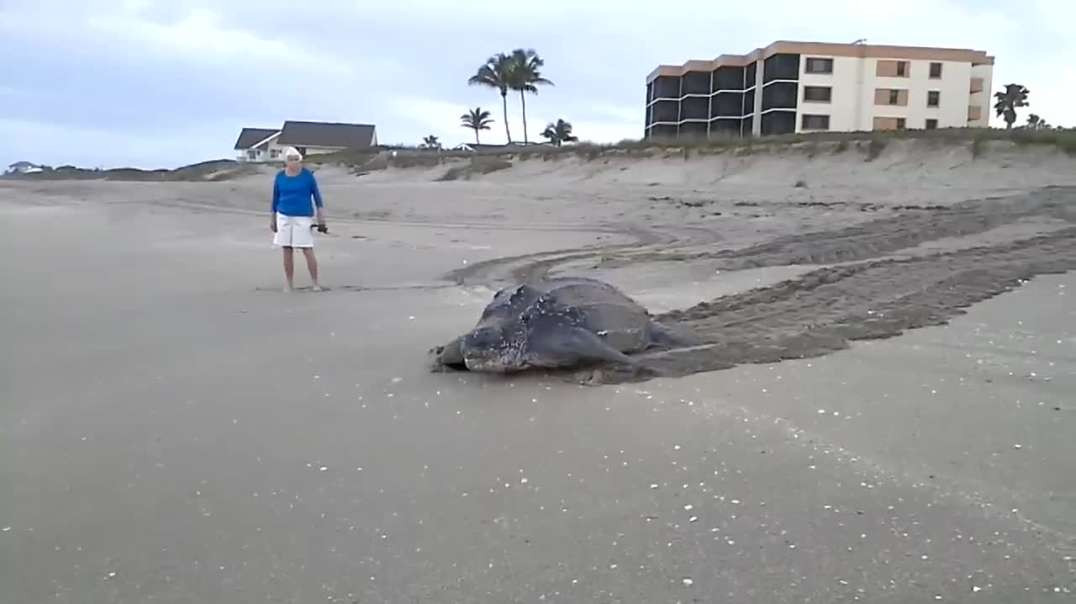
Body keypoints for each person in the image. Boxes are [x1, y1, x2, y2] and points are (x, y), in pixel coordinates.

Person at [271, 147, 327, 291]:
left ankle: (315, 283)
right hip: (283, 215)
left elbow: (317, 197)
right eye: (291, 160)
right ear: (286, 161)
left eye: (297, 159)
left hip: (303, 216)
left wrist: (321, 217)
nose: (294, 163)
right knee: (287, 249)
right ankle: (289, 283)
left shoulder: (307, 176)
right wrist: (272, 218)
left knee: (307, 248)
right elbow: (275, 198)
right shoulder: (280, 176)